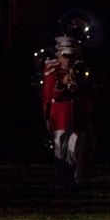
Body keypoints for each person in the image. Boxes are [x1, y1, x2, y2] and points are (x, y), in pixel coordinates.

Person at [42, 45, 92, 189]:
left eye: (71, 57)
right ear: (60, 56)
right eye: (65, 56)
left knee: (75, 149)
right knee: (60, 148)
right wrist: (63, 84)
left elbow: (84, 93)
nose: (68, 60)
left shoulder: (79, 71)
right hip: (60, 115)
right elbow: (51, 93)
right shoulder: (53, 70)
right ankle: (61, 179)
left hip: (76, 115)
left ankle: (74, 179)